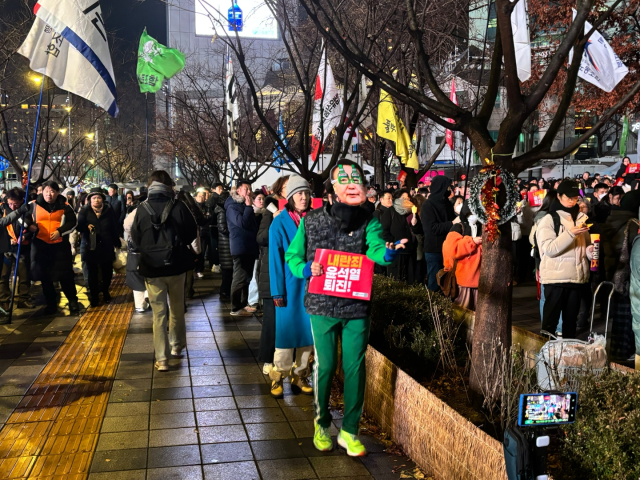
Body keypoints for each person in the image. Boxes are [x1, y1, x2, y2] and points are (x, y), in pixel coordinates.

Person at [285, 160, 405, 456]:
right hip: (322, 306)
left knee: (354, 368)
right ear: (332, 191)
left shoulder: (371, 221)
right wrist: (306, 269)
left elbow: (376, 248)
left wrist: (387, 252)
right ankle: (321, 424)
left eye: (357, 179)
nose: (352, 184)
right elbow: (293, 256)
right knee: (325, 366)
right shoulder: (311, 221)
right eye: (344, 179)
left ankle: (350, 431)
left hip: (355, 307)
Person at [131, 171, 197, 372]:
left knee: (159, 315)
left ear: (149, 186)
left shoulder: (141, 209)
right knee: (177, 309)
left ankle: (162, 359)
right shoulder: (179, 206)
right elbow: (191, 233)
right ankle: (176, 346)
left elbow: (135, 237)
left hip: (152, 269)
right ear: (169, 186)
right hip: (176, 266)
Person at [268, 174, 314, 398]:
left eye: (306, 193)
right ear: (290, 197)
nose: (303, 197)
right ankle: (278, 375)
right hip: (288, 283)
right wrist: (277, 291)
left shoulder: (317, 218)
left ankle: (300, 374)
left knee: (308, 334)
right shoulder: (278, 222)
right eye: (298, 193)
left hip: (313, 283)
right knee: (285, 335)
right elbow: (275, 260)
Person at [537, 180, 594, 339]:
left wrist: (590, 251)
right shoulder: (549, 219)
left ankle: (567, 359)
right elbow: (549, 249)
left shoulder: (582, 217)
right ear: (559, 196)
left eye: (575, 197)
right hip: (555, 279)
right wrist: (571, 234)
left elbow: (585, 246)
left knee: (570, 324)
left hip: (577, 279)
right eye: (568, 197)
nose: (572, 200)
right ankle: (545, 358)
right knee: (550, 324)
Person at [14, 181, 80, 314]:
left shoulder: (65, 206)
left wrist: (60, 231)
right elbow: (21, 218)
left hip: (60, 246)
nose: (49, 194)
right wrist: (29, 226)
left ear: (57, 193)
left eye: (52, 191)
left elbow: (73, 222)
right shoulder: (32, 205)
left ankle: (72, 301)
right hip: (41, 246)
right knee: (45, 277)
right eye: (46, 191)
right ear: (41, 192)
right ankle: (51, 303)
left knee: (65, 276)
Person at [601, 190, 640, 360]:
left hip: (614, 274)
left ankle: (618, 352)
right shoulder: (633, 225)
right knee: (631, 316)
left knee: (619, 318)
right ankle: (629, 352)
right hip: (628, 277)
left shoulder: (612, 220)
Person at [257, 176, 289, 376]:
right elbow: (260, 238)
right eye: (287, 187)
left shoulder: (300, 213)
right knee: (271, 319)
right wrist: (274, 221)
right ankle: (267, 359)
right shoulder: (272, 212)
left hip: (292, 273)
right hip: (271, 274)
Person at [77, 188, 120, 307]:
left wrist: (116, 241)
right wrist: (86, 226)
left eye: (99, 197)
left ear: (103, 199)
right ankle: (94, 296)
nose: (96, 200)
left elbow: (113, 226)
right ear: (90, 199)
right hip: (90, 246)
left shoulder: (108, 210)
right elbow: (78, 226)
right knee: (92, 273)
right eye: (94, 198)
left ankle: (105, 291)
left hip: (106, 245)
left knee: (107, 271)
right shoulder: (85, 210)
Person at [225, 179, 259, 316]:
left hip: (250, 246)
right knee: (239, 277)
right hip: (241, 247)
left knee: (248, 277)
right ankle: (234, 305)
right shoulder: (233, 207)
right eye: (246, 189)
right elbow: (242, 223)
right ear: (238, 190)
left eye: (250, 189)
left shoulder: (244, 205)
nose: (249, 192)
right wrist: (249, 207)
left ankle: (244, 302)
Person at [421, 176, 459, 292]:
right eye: (447, 187)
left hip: (448, 247)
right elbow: (431, 228)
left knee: (448, 282)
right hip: (434, 250)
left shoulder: (446, 203)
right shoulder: (428, 205)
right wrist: (452, 223)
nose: (450, 190)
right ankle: (434, 308)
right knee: (434, 282)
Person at [442, 201, 482, 310]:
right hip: (463, 281)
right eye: (470, 213)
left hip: (481, 282)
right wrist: (471, 242)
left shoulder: (483, 228)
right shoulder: (458, 228)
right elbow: (452, 250)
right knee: (462, 314)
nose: (474, 216)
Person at [0, 188, 34, 310]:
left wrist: (26, 235)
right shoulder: (1, 209)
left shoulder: (27, 210)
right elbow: (3, 223)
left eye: (15, 204)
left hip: (22, 247)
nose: (12, 206)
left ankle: (23, 299)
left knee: (24, 274)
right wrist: (8, 240)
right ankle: (4, 300)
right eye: (10, 203)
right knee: (4, 275)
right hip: (6, 248)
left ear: (21, 201)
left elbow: (31, 227)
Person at [380, 189, 422, 284]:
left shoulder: (412, 212)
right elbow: (383, 231)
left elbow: (419, 231)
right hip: (396, 253)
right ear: (397, 199)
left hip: (410, 252)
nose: (406, 200)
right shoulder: (390, 212)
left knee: (410, 281)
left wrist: (415, 224)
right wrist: (394, 243)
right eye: (403, 198)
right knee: (395, 280)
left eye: (407, 198)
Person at [214, 192, 233, 300]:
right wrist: (233, 230)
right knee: (227, 271)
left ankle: (225, 292)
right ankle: (224, 292)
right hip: (225, 244)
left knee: (228, 271)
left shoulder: (223, 211)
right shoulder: (221, 212)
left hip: (226, 244)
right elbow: (222, 228)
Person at [194, 188, 213, 278]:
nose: (201, 197)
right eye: (199, 196)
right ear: (195, 197)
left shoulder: (207, 207)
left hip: (204, 232)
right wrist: (206, 217)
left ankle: (199, 269)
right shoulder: (193, 207)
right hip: (196, 232)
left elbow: (209, 217)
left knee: (202, 251)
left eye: (203, 196)